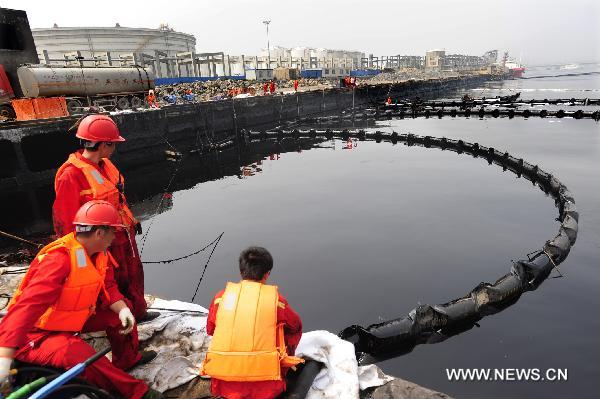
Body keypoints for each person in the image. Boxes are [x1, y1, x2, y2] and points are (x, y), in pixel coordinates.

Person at [0, 201, 161, 399]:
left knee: (118, 316)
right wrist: (4, 357)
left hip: (71, 320)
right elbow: (26, 308)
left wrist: (122, 310)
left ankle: (127, 360)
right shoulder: (59, 260)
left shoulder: (99, 253)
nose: (115, 237)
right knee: (78, 354)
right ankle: (137, 393)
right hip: (35, 336)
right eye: (113, 232)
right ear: (100, 233)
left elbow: (108, 286)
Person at [53, 114, 158, 322]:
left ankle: (138, 311)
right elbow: (65, 221)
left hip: (123, 235)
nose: (115, 148)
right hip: (103, 243)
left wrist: (132, 221)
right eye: (113, 144)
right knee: (112, 286)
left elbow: (117, 198)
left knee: (133, 275)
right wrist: (81, 255)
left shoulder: (105, 165)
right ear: (103, 145)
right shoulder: (71, 176)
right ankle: (127, 338)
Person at [201, 247, 303, 399]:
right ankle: (280, 369)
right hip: (268, 389)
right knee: (289, 329)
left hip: (223, 385)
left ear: (241, 271)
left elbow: (210, 330)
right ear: (267, 274)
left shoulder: (220, 298)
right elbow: (296, 326)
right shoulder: (276, 301)